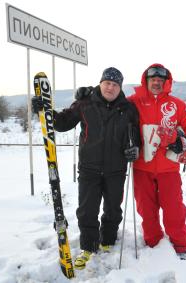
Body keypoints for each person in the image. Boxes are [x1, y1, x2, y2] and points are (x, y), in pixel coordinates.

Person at [32, 67, 140, 270]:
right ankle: (88, 247)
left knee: (112, 210)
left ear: (120, 88)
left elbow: (136, 137)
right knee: (86, 210)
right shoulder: (85, 103)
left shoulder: (128, 109)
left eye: (115, 84)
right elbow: (62, 123)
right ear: (100, 83)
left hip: (116, 170)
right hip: (89, 168)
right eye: (107, 83)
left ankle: (108, 241)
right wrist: (44, 110)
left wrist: (135, 149)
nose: (110, 87)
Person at [128, 63, 186, 259]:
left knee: (174, 210)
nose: (157, 83)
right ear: (146, 81)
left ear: (167, 82)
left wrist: (185, 140)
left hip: (169, 167)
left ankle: (181, 246)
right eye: (153, 80)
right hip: (142, 166)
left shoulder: (177, 105)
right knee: (146, 210)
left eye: (161, 80)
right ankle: (153, 244)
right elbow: (111, 108)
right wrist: (89, 100)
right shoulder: (133, 102)